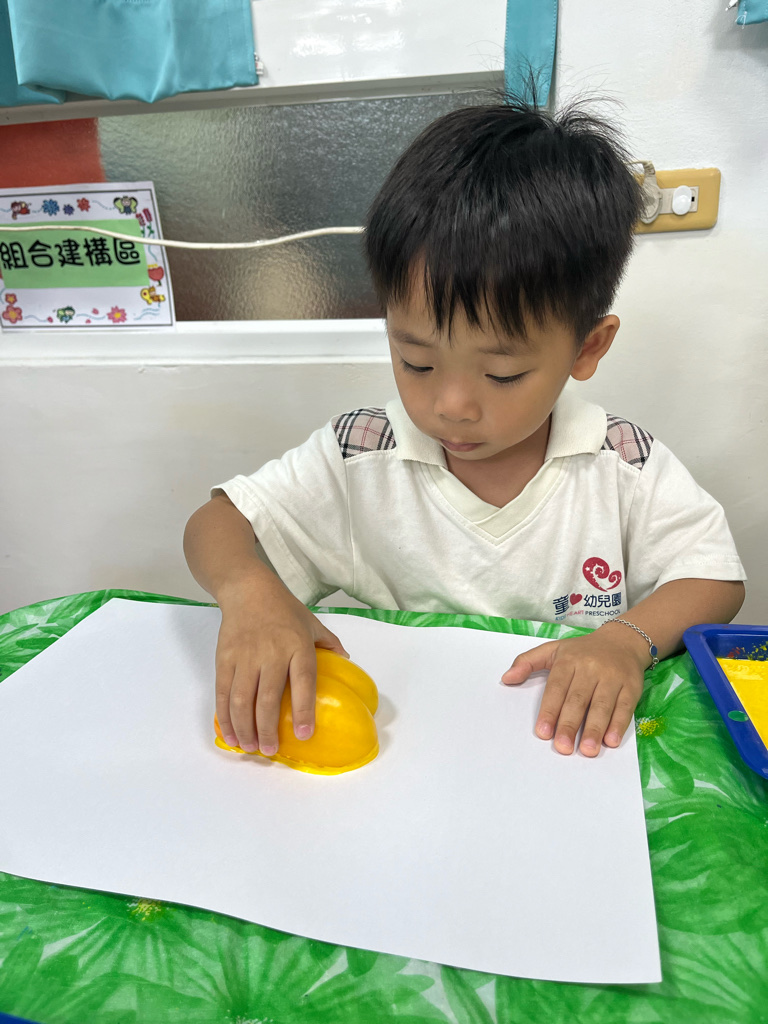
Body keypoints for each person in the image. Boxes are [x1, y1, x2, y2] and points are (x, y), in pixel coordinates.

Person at [184, 99, 745, 762]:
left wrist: (626, 640)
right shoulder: (363, 451)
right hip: (404, 754)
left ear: (588, 348)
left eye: (502, 374)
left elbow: (714, 578)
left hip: (560, 755)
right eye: (416, 361)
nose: (450, 406)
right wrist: (250, 592)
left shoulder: (621, 462)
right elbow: (218, 523)